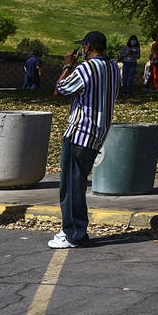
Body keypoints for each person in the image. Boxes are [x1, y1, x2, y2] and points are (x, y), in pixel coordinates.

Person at [49, 31, 120, 248]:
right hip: (98, 133)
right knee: (77, 183)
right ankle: (76, 229)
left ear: (87, 47)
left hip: (79, 132)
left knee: (70, 185)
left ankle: (73, 233)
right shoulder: (113, 68)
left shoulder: (85, 68)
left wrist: (68, 65)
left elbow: (59, 90)